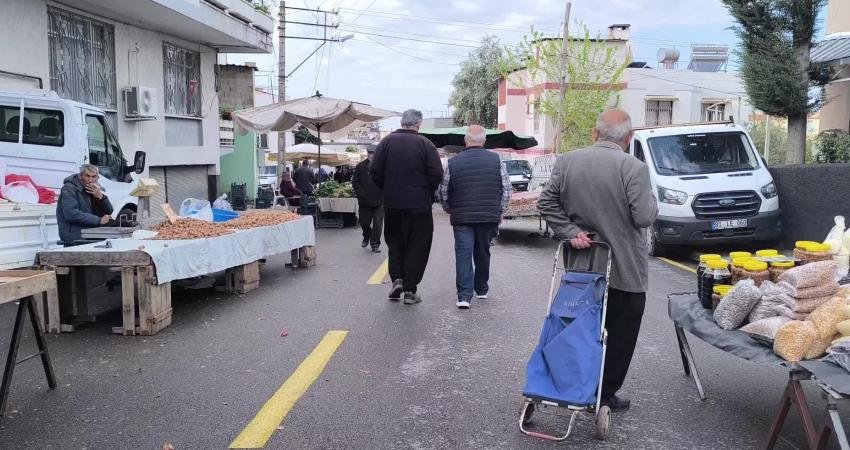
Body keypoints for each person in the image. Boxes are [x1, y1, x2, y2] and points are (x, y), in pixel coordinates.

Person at [537, 109, 657, 412]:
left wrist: (570, 230)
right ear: (628, 139)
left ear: (595, 133)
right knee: (622, 328)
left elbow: (546, 202)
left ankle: (571, 383)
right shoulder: (634, 167)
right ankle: (604, 392)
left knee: (580, 326)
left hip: (581, 265)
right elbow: (644, 216)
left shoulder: (567, 161)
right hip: (624, 268)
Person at [371, 109, 443, 305]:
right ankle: (410, 290)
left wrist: (388, 189)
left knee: (395, 243)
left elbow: (375, 171)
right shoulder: (426, 144)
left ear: (402, 122)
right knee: (417, 245)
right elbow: (437, 174)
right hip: (419, 206)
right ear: (418, 124)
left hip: (393, 204)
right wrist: (426, 191)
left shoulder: (385, 143)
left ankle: (397, 280)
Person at [439, 125, 512, 310]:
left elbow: (444, 190)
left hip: (462, 217)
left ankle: (464, 296)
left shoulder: (454, 162)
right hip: (488, 216)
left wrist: (448, 208)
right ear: (484, 141)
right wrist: (499, 210)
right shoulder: (496, 160)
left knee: (463, 254)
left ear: (465, 140)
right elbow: (507, 189)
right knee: (482, 252)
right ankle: (481, 289)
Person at [57, 164, 114, 247]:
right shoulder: (69, 189)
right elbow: (71, 214)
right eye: (87, 176)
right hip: (74, 236)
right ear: (80, 176)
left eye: (93, 177)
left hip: (91, 232)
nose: (90, 180)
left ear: (97, 178)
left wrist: (101, 198)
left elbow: (109, 212)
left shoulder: (96, 189)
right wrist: (98, 220)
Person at [352, 145, 384, 253]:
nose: (372, 155)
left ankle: (375, 244)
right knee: (364, 222)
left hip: (379, 200)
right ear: (367, 153)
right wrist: (362, 195)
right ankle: (366, 236)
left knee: (378, 224)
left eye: (374, 153)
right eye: (370, 153)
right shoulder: (360, 166)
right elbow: (355, 182)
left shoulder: (382, 166)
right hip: (364, 201)